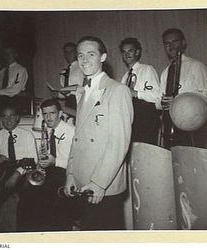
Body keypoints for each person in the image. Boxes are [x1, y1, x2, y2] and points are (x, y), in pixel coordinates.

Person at [64, 36, 134, 230]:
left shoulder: (118, 91)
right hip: (81, 181)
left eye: (90, 54)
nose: (84, 60)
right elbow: (76, 138)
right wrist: (70, 174)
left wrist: (99, 183)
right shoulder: (84, 93)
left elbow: (119, 143)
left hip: (102, 185)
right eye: (80, 55)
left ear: (103, 57)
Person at [17, 99, 75, 232]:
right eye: (45, 114)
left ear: (60, 113)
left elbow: (78, 161)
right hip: (51, 173)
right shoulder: (49, 131)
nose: (48, 117)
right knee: (25, 197)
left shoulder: (72, 131)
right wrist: (41, 165)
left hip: (67, 175)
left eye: (52, 113)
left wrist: (55, 161)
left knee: (47, 203)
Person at [0, 105, 38, 232]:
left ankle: (22, 230)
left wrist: (17, 173)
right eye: (5, 116)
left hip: (24, 173)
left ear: (17, 118)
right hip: (3, 173)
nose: (8, 119)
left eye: (11, 115)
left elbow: (34, 161)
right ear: (1, 119)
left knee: (24, 198)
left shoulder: (27, 135)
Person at [157, 28, 207, 148]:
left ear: (183, 43)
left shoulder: (196, 66)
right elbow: (158, 102)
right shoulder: (166, 72)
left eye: (174, 41)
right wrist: (162, 102)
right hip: (170, 127)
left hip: (191, 128)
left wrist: (178, 101)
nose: (171, 46)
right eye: (167, 43)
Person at [119, 37, 161, 145]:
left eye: (130, 51)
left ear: (137, 52)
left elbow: (157, 97)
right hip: (130, 121)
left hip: (146, 120)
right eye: (124, 52)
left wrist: (135, 93)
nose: (127, 54)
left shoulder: (147, 69)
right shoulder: (125, 76)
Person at [0, 46, 28, 118]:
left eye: (10, 53)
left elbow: (15, 89)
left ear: (15, 54)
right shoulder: (3, 71)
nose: (7, 56)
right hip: (2, 100)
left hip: (15, 99)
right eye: (5, 54)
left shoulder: (21, 69)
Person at [58, 42, 84, 111]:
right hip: (68, 102)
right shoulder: (64, 72)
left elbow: (82, 87)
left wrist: (65, 90)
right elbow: (66, 93)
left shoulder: (82, 67)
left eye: (71, 51)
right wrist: (58, 94)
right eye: (66, 52)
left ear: (76, 53)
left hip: (80, 101)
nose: (68, 54)